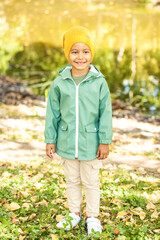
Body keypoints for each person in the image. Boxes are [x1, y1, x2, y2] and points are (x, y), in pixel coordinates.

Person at [45, 26, 112, 235]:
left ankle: (92, 217)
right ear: (68, 54)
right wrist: (50, 139)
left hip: (91, 143)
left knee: (91, 181)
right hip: (66, 143)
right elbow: (52, 113)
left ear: (91, 54)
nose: (80, 57)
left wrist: (105, 141)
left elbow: (105, 114)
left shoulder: (99, 83)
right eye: (75, 51)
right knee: (72, 180)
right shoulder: (60, 82)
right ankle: (74, 214)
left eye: (85, 51)